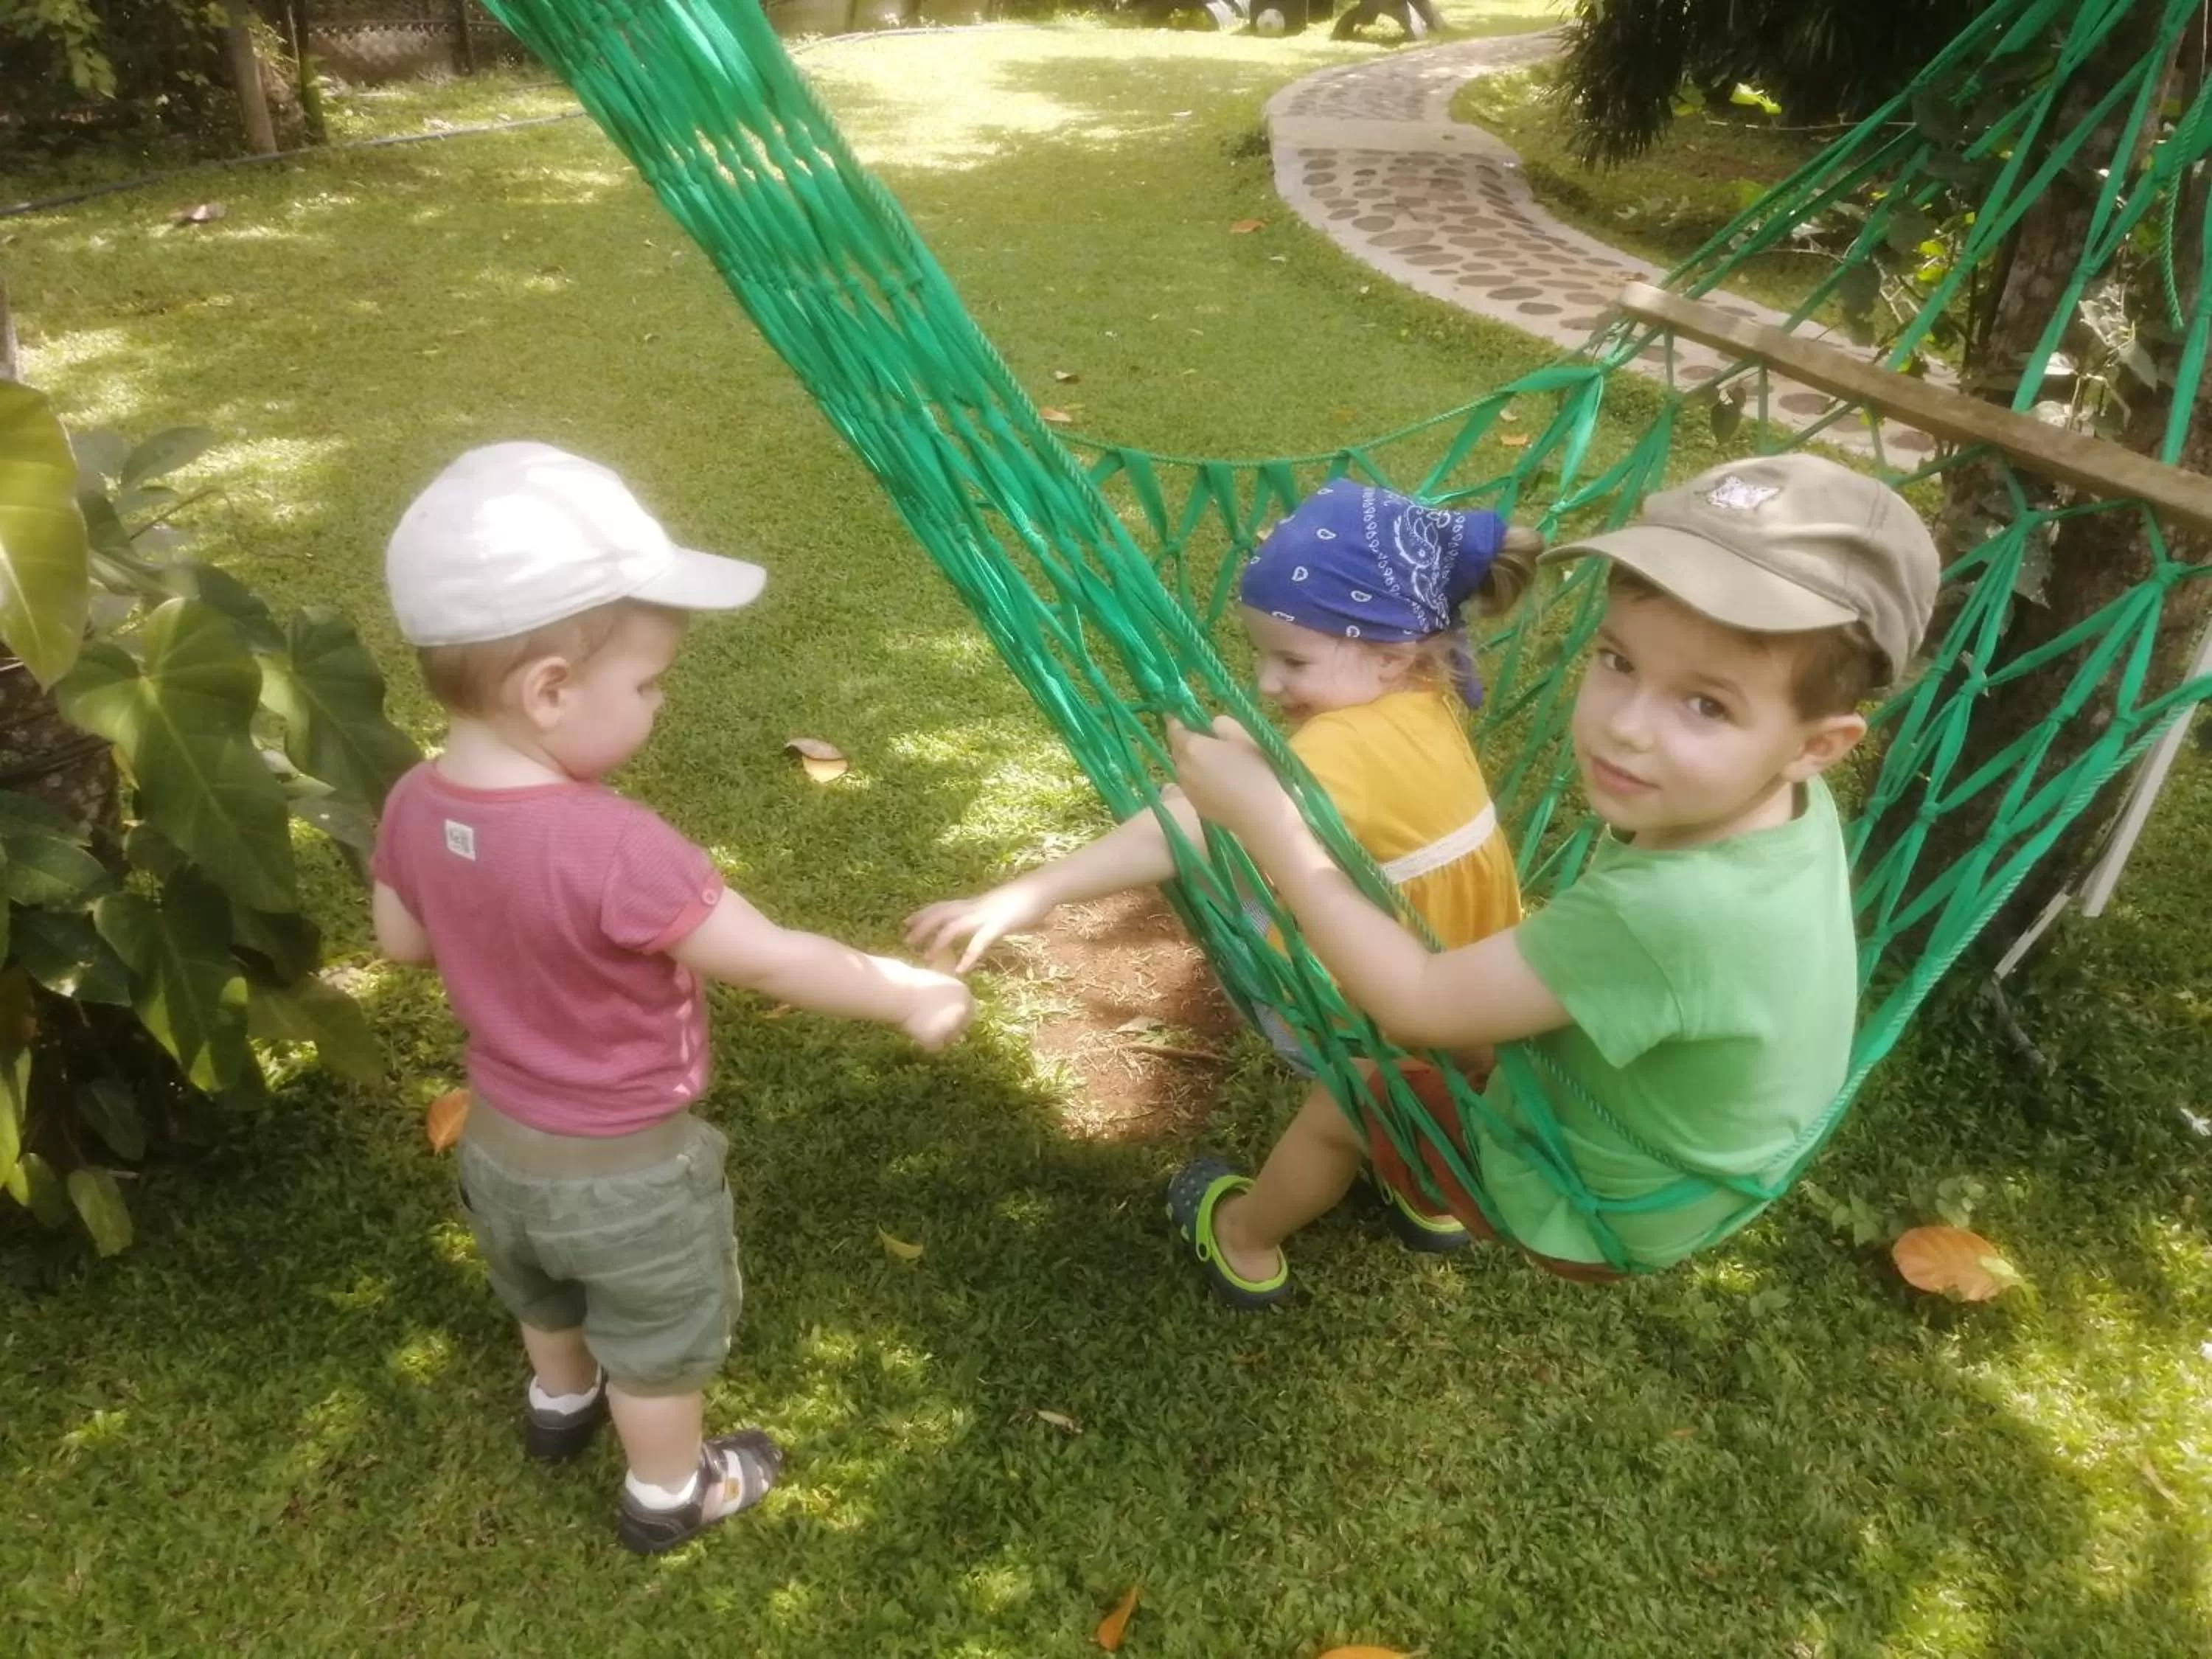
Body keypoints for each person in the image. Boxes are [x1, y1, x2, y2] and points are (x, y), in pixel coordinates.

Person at [370, 442, 975, 1551]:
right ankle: (668, 1490)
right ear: (550, 690)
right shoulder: (616, 846)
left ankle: (557, 1401)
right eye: (647, 683)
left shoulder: (412, 799)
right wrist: (905, 993)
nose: (660, 701)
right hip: (630, 1172)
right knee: (656, 1338)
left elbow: (400, 938)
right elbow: (772, 957)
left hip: (499, 1146)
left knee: (543, 1291)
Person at [1164, 453, 1938, 1304]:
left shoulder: (1671, 910)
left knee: (1361, 1088)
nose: (1627, 727)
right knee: (1462, 1034)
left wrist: (1273, 824)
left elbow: (1417, 998)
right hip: (1670, 1142)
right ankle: (1424, 1193)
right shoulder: (1784, 802)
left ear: (1816, 745)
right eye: (1618, 661)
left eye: (1707, 705)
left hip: (1595, 1203)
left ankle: (1243, 1239)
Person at [906, 482, 1536, 1248]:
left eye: (1291, 660)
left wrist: (1032, 891)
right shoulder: (1424, 695)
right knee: (1431, 1092)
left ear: (1388, 656)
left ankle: (1243, 1237)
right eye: (1260, 654)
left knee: (1336, 1120)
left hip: (1376, 1003)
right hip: (1485, 983)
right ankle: (1425, 1191)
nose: (1268, 683)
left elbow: (1181, 827)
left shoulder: (1340, 750)